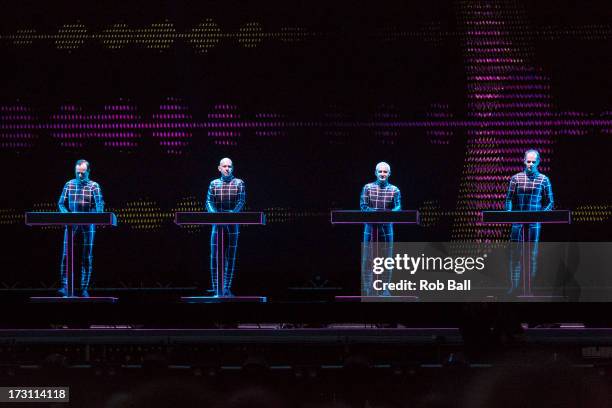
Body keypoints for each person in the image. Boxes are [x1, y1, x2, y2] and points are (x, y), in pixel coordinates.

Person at [505, 149, 554, 294]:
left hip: (534, 224)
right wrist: (509, 214)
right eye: (528, 161)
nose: (531, 164)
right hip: (517, 223)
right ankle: (514, 287)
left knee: (532, 255)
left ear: (538, 162)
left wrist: (541, 216)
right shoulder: (516, 178)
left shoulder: (544, 179)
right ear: (524, 161)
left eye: (533, 161)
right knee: (515, 254)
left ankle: (529, 288)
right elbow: (509, 199)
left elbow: (550, 202)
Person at [58, 159, 105, 297]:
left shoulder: (94, 186)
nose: (79, 176)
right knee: (66, 254)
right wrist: (67, 216)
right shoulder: (69, 184)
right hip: (71, 223)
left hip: (88, 222)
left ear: (88, 172)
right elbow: (61, 203)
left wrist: (98, 216)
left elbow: (99, 204)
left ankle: (84, 288)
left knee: (86, 256)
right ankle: (65, 286)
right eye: (77, 173)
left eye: (82, 173)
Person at [206, 158, 246, 297]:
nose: (227, 168)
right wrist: (215, 216)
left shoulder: (239, 183)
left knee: (230, 256)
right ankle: (216, 288)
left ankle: (227, 288)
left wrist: (232, 215)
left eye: (230, 166)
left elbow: (241, 201)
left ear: (233, 168)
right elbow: (209, 202)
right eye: (225, 166)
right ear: (219, 168)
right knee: (215, 255)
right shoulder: (213, 184)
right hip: (217, 223)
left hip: (233, 223)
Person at [360, 162, 401, 295]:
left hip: (387, 227)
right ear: (375, 173)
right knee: (367, 257)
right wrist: (376, 214)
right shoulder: (367, 187)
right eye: (380, 171)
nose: (382, 174)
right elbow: (363, 206)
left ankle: (383, 289)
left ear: (389, 173)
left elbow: (398, 207)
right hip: (370, 227)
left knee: (387, 258)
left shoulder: (395, 190)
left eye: (385, 172)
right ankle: (367, 289)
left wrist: (386, 215)